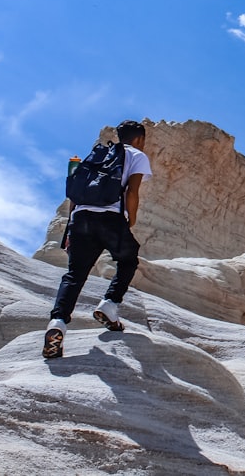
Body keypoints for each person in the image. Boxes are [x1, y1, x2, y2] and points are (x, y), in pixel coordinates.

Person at [43, 120, 153, 359]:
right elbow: (132, 191)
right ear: (140, 139)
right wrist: (130, 220)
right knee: (128, 260)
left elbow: (75, 192)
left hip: (80, 217)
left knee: (75, 275)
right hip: (110, 218)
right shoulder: (136, 155)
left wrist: (71, 226)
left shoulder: (98, 155)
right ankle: (110, 305)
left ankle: (57, 323)